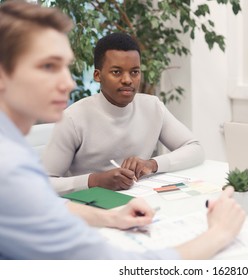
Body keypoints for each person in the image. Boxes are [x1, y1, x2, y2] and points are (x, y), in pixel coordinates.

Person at [0, 0, 245, 260]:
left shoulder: (12, 150)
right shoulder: (10, 169)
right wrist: (219, 233)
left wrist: (109, 216)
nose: (68, 82)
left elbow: (40, 203)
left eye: (65, 67)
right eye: (48, 66)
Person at [42, 32, 204, 194]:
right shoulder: (72, 118)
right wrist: (95, 180)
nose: (127, 80)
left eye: (134, 72)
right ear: (98, 75)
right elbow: (43, 182)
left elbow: (195, 149)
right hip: (90, 206)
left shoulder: (153, 107)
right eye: (117, 72)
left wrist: (151, 164)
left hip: (141, 200)